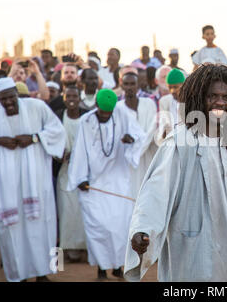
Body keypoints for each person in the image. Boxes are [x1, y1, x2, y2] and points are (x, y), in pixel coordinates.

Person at [124, 64, 227, 282]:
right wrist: (142, 228)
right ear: (197, 98)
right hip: (193, 244)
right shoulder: (180, 141)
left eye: (226, 97)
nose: (220, 103)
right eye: (212, 96)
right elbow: (156, 190)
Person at [67, 89, 146, 280]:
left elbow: (140, 135)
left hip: (118, 181)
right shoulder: (86, 121)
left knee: (119, 226)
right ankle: (101, 269)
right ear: (96, 107)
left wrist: (131, 140)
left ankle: (118, 267)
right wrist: (80, 177)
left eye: (108, 113)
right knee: (97, 227)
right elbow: (79, 150)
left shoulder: (122, 113)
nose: (105, 115)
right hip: (93, 183)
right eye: (102, 112)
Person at [0, 77, 66, 282]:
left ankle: (43, 273)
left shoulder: (37, 107)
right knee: (11, 228)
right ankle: (18, 275)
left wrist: (34, 138)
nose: (8, 103)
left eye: (11, 98)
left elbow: (57, 131)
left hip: (37, 180)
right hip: (6, 185)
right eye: (2, 100)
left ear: (17, 94)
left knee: (43, 224)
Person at [55, 86, 88, 263]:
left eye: (75, 95)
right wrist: (60, 155)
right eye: (69, 96)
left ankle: (84, 250)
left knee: (83, 212)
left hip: (84, 175)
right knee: (66, 212)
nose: (72, 99)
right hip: (65, 173)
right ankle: (65, 252)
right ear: (64, 98)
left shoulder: (87, 117)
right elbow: (52, 141)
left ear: (80, 97)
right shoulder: (59, 116)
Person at [116, 72, 158, 197]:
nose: (129, 87)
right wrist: (124, 140)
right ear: (122, 86)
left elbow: (152, 130)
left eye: (132, 84)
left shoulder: (149, 104)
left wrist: (138, 144)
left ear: (138, 85)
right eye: (126, 84)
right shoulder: (118, 108)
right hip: (127, 162)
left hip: (147, 158)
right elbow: (117, 135)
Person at [155, 68, 186, 145]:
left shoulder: (192, 101)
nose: (172, 91)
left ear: (183, 85)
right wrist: (163, 134)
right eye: (170, 87)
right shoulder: (164, 101)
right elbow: (163, 127)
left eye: (175, 87)